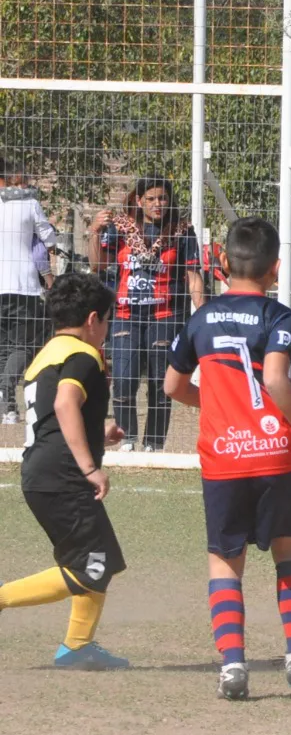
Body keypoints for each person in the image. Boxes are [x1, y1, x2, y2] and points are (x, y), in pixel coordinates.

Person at [164, 217, 291, 700]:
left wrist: (214, 404)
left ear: (220, 264)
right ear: (276, 270)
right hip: (277, 454)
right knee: (289, 551)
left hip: (225, 459)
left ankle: (233, 666)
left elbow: (173, 386)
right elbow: (276, 381)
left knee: (225, 561)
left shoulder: (201, 318)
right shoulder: (279, 316)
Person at [0, 273, 130, 669]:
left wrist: (97, 432)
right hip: (63, 475)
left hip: (45, 473)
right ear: (93, 319)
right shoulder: (83, 355)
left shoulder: (49, 352)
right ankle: (70, 645)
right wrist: (90, 466)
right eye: (108, 320)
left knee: (98, 558)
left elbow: (53, 413)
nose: (107, 329)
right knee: (91, 564)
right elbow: (65, 405)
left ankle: (77, 646)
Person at [89, 176, 204, 451]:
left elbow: (193, 277)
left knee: (160, 383)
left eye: (162, 198)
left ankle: (154, 444)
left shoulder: (181, 231)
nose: (157, 204)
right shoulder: (121, 228)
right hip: (125, 313)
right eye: (150, 199)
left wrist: (202, 316)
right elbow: (97, 264)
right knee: (125, 379)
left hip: (166, 315)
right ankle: (127, 438)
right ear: (139, 201)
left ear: (169, 201)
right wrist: (94, 230)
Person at [0, 158, 58, 424]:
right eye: (24, 180)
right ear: (13, 179)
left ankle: (8, 408)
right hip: (23, 285)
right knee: (22, 344)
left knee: (3, 347)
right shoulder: (30, 204)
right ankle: (5, 389)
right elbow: (48, 237)